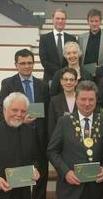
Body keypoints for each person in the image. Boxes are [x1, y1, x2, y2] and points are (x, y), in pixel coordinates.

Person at [0, 49, 49, 199]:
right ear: (16, 65)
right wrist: (21, 120)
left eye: (29, 63)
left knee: (39, 177)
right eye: (22, 63)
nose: (27, 66)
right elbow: (3, 110)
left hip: (39, 138)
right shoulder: (7, 83)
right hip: (16, 136)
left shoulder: (42, 85)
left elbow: (46, 112)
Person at [47, 80, 103, 199]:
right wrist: (65, 172)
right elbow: (52, 151)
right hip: (70, 188)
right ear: (76, 99)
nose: (87, 103)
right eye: (83, 99)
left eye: (91, 99)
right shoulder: (64, 122)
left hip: (96, 189)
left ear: (96, 100)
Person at [0, 92, 40, 199]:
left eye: (23, 111)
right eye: (14, 110)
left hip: (23, 192)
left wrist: (35, 169)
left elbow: (34, 158)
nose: (19, 114)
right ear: (4, 110)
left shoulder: (29, 132)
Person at [39, 8, 76, 83]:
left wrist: (66, 73)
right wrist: (61, 73)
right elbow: (44, 61)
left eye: (63, 19)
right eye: (58, 18)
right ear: (53, 19)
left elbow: (74, 59)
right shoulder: (44, 39)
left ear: (65, 20)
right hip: (50, 78)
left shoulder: (72, 38)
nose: (60, 21)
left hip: (68, 80)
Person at [48, 68, 78, 138]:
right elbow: (51, 127)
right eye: (65, 79)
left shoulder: (82, 99)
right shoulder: (54, 101)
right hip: (61, 141)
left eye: (71, 80)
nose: (68, 82)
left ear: (76, 82)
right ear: (61, 81)